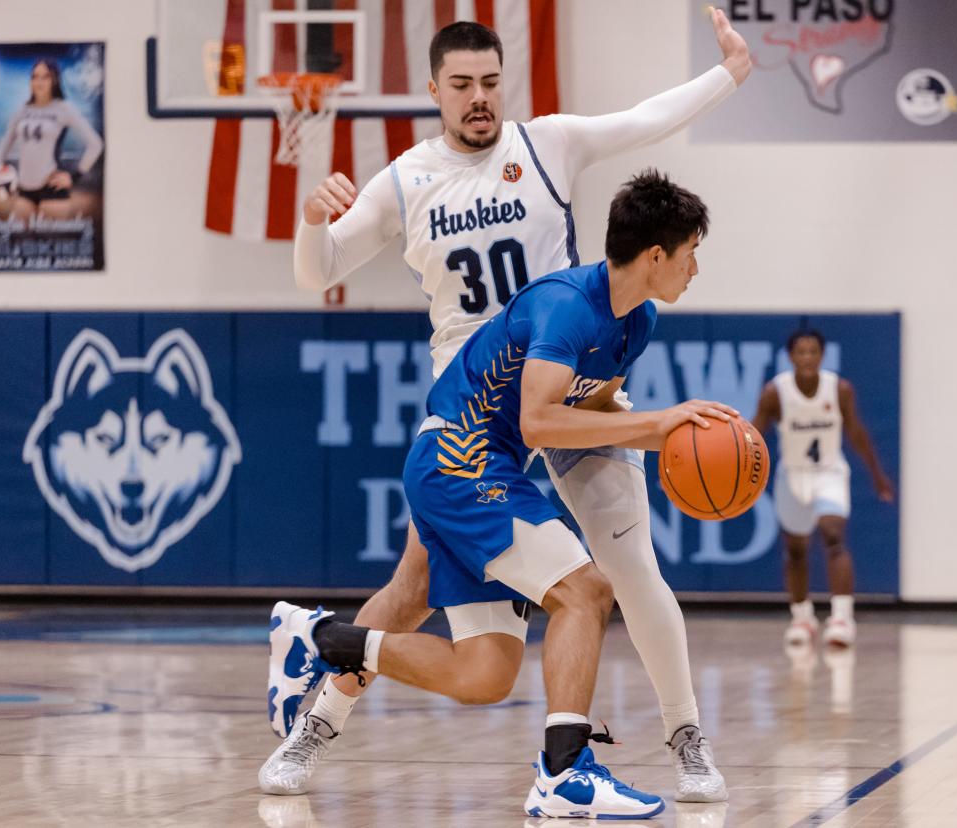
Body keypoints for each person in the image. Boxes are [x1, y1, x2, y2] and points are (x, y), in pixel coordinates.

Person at [262, 10, 752, 802]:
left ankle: (685, 737)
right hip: (479, 408)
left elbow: (643, 120)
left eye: (490, 81)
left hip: (567, 378)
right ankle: (315, 722)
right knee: (413, 591)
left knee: (628, 570)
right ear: (433, 91)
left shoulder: (547, 145)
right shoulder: (406, 180)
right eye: (461, 85)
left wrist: (728, 73)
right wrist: (312, 219)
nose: (479, 97)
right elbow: (316, 273)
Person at [752, 330, 894, 648]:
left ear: (822, 355)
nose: (807, 357)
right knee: (796, 550)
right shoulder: (776, 392)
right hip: (793, 475)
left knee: (833, 535)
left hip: (829, 472)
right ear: (790, 357)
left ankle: (842, 617)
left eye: (813, 351)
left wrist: (877, 474)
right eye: (800, 352)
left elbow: (856, 431)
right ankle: (802, 617)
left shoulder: (839, 389)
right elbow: (754, 434)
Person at [0, 58, 103, 218]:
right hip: (23, 189)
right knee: (19, 241)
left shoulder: (63, 108)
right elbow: (4, 145)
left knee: (54, 241)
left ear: (54, 80)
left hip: (52, 188)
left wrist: (75, 176)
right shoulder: (23, 110)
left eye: (45, 76)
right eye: (34, 76)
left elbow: (95, 144)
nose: (39, 81)